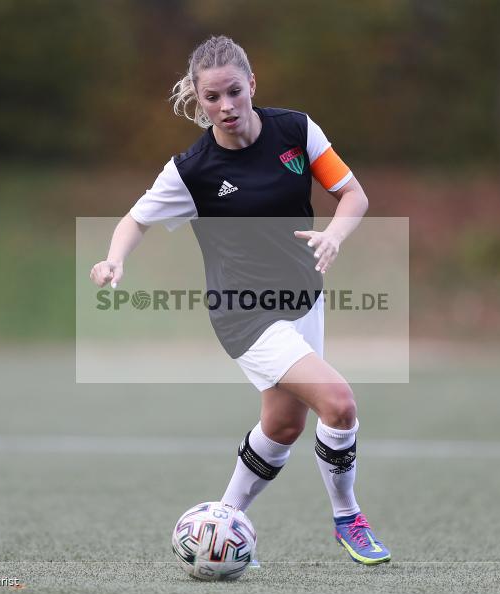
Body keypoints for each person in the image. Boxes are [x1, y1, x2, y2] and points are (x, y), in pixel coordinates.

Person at [90, 35, 390, 565]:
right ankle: (349, 517)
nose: (225, 107)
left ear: (252, 85)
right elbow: (134, 219)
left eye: (234, 92)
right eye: (212, 98)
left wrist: (334, 236)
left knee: (282, 425)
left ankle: (221, 519)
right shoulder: (192, 169)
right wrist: (115, 258)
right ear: (197, 99)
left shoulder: (295, 130)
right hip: (244, 314)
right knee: (338, 404)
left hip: (304, 299)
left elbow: (353, 193)